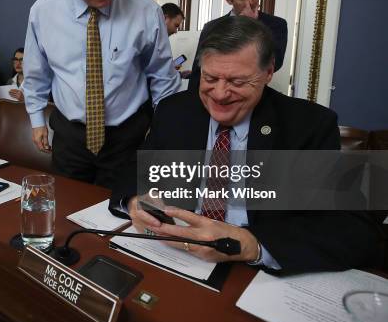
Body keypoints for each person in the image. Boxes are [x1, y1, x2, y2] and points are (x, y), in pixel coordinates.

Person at [113, 16, 382, 274]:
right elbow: (135, 169)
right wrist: (136, 201)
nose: (219, 94)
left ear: (267, 72)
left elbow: (354, 229)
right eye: (209, 78)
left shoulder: (309, 126)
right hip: (172, 254)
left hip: (254, 271)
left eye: (237, 81)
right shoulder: (175, 110)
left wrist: (250, 244)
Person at [24, 0, 180, 188]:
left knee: (120, 217)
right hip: (70, 138)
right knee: (68, 211)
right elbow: (37, 72)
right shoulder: (43, 11)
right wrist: (37, 119)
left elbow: (162, 77)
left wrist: (162, 131)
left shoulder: (145, 10)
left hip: (128, 138)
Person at [188, 0, 288, 90]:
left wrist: (251, 25)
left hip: (252, 92)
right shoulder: (212, 26)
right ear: (229, 0)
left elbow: (275, 62)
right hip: (214, 92)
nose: (251, 1)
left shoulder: (277, 24)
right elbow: (198, 68)